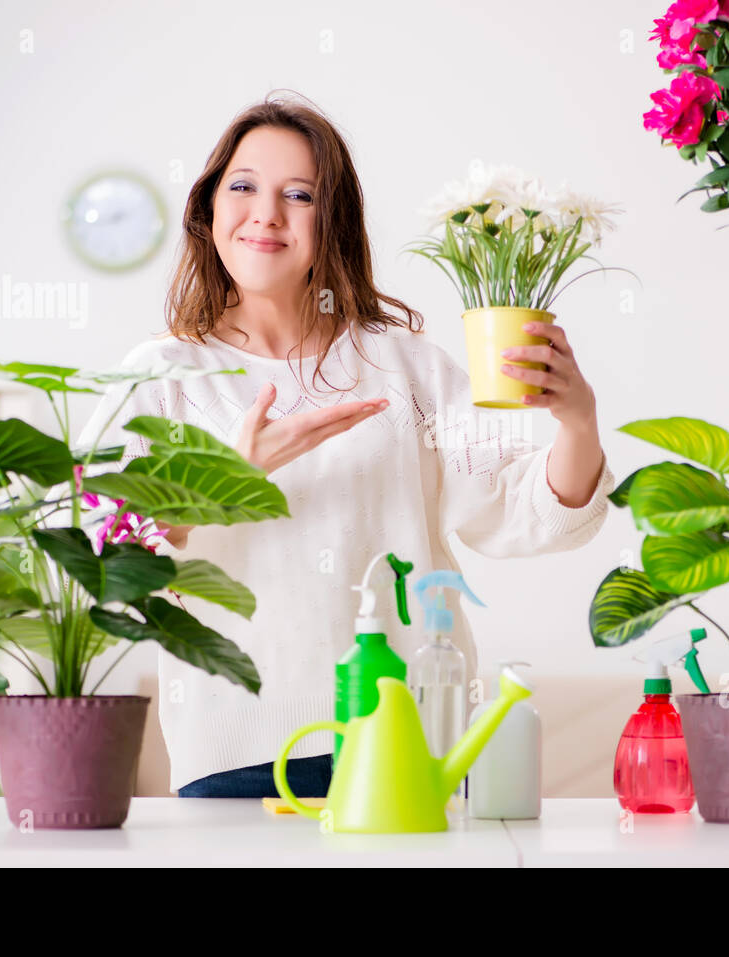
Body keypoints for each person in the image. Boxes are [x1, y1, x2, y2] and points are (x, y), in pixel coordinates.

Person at [73, 92, 615, 799]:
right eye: (243, 186)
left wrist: (578, 420)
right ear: (209, 209)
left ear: (332, 221)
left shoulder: (406, 365)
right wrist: (228, 479)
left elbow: (517, 510)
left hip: (412, 738)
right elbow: (94, 556)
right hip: (235, 755)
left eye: (298, 194)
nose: (266, 212)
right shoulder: (161, 376)